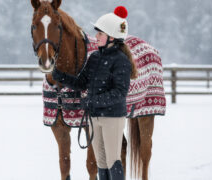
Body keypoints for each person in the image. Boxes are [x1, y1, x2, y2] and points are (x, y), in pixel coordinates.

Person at [52, 6, 137, 180]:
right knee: (101, 162)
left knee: (113, 160)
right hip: (94, 117)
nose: (96, 37)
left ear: (112, 37)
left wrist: (93, 102)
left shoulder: (121, 61)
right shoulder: (95, 58)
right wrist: (60, 75)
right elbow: (82, 82)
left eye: (100, 34)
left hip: (112, 118)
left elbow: (120, 92)